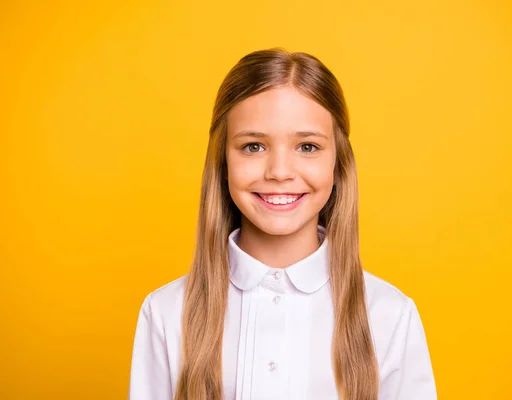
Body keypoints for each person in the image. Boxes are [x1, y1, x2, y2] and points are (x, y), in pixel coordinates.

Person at [128, 48, 437, 400]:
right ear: (222, 161)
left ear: (338, 165)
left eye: (307, 147)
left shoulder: (390, 316)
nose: (279, 172)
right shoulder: (165, 313)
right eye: (253, 146)